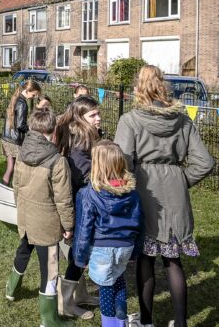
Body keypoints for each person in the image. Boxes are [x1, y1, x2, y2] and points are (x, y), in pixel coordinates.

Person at [114, 65, 214, 327]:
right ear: (163, 86)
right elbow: (204, 162)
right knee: (172, 259)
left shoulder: (130, 120)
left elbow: (121, 163)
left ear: (139, 87)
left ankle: (146, 322)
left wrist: (128, 187)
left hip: (144, 190)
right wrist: (181, 180)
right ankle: (180, 324)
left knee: (146, 258)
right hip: (174, 189)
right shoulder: (182, 119)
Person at [5, 108, 74, 327]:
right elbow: (64, 199)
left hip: (26, 217)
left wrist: (21, 209)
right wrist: (68, 225)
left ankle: (11, 289)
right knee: (50, 268)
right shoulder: (58, 161)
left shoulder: (22, 152)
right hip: (46, 223)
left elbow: (16, 186)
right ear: (53, 131)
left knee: (23, 249)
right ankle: (49, 319)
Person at [74, 140, 142, 327]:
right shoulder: (132, 193)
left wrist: (80, 258)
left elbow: (83, 229)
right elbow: (139, 224)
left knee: (105, 288)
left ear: (96, 165)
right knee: (118, 279)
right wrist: (135, 252)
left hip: (101, 248)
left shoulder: (88, 194)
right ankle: (121, 318)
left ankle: (110, 324)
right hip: (125, 246)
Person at [55, 95, 103, 319]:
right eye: (93, 115)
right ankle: (65, 304)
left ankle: (80, 295)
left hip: (85, 201)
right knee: (78, 254)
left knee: (80, 252)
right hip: (81, 204)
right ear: (80, 117)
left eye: (98, 113)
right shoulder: (80, 139)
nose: (98, 118)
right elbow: (84, 174)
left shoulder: (85, 133)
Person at [1, 80, 42, 185]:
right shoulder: (22, 104)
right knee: (14, 168)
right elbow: (20, 125)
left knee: (10, 167)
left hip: (6, 138)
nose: (33, 97)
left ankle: (3, 188)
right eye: (34, 94)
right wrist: (31, 129)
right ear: (28, 90)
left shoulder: (15, 99)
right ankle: (12, 189)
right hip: (14, 140)